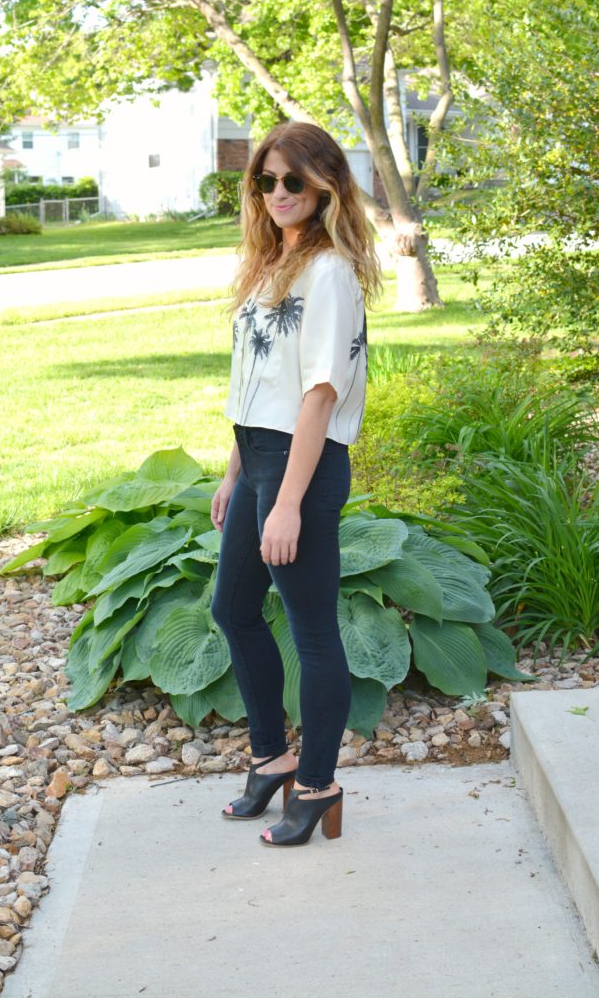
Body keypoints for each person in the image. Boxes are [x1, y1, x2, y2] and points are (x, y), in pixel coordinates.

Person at [210, 121, 380, 847]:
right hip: (259, 458)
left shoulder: (329, 272)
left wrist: (284, 502)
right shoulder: (270, 264)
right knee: (233, 610)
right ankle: (271, 756)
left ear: (324, 185)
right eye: (265, 181)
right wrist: (235, 472)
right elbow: (258, 384)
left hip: (302, 470)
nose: (278, 193)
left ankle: (317, 783)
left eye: (292, 180)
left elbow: (317, 394)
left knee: (311, 634)